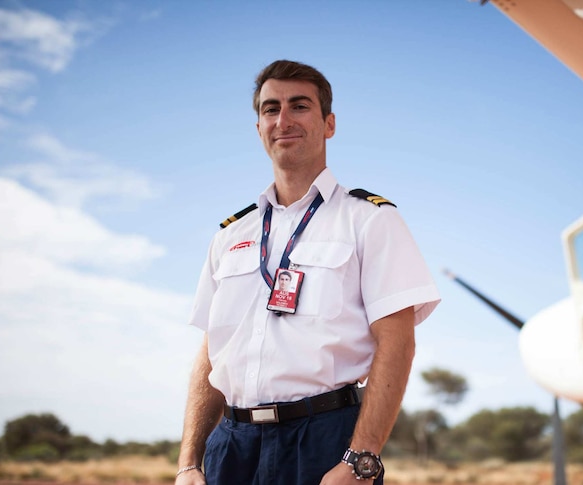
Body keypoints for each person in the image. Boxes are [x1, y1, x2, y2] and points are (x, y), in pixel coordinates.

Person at [175, 60, 440, 485]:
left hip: (324, 440)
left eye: (299, 106)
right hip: (230, 445)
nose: (283, 120)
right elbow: (210, 354)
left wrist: (361, 458)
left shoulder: (369, 219)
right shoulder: (230, 235)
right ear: (259, 125)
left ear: (328, 123)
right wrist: (189, 462)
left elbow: (398, 342)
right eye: (270, 108)